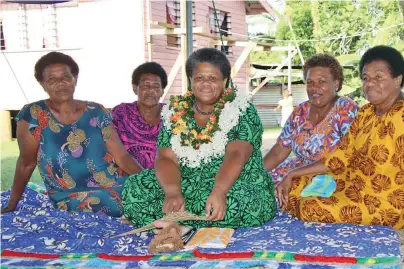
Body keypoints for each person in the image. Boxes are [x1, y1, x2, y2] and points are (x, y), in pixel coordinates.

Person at [276, 46, 404, 242]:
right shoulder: (366, 112)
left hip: (385, 202)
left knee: (312, 208)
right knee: (293, 186)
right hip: (354, 187)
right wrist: (292, 173)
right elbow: (340, 156)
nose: (369, 84)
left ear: (398, 79)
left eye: (378, 77)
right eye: (365, 78)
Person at [122, 48, 276, 239]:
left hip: (233, 181)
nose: (205, 84)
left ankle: (177, 224)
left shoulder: (241, 109)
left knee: (244, 201)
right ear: (190, 80)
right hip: (186, 181)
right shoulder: (174, 111)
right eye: (199, 78)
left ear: (225, 81)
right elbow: (166, 157)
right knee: (135, 187)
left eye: (212, 78)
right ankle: (183, 224)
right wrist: (172, 191)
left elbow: (236, 154)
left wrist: (219, 191)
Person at [1, 52, 143, 216]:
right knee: (126, 203)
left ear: (75, 79)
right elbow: (26, 163)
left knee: (162, 192)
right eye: (52, 79)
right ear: (42, 84)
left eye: (66, 77)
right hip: (71, 195)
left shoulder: (97, 111)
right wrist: (11, 204)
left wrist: (150, 180)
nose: (61, 83)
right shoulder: (33, 115)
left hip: (113, 184)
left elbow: (122, 156)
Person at [263, 54, 358, 184]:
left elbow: (346, 157)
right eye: (310, 82)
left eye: (322, 81)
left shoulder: (347, 111)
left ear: (336, 83)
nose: (314, 87)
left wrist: (294, 174)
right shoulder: (300, 113)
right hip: (296, 172)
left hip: (333, 179)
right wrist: (255, 172)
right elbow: (279, 152)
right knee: (254, 186)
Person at [112, 62, 168, 169]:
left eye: (156, 86)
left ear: (162, 91)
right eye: (145, 85)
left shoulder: (173, 115)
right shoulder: (121, 114)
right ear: (135, 88)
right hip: (129, 179)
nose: (150, 91)